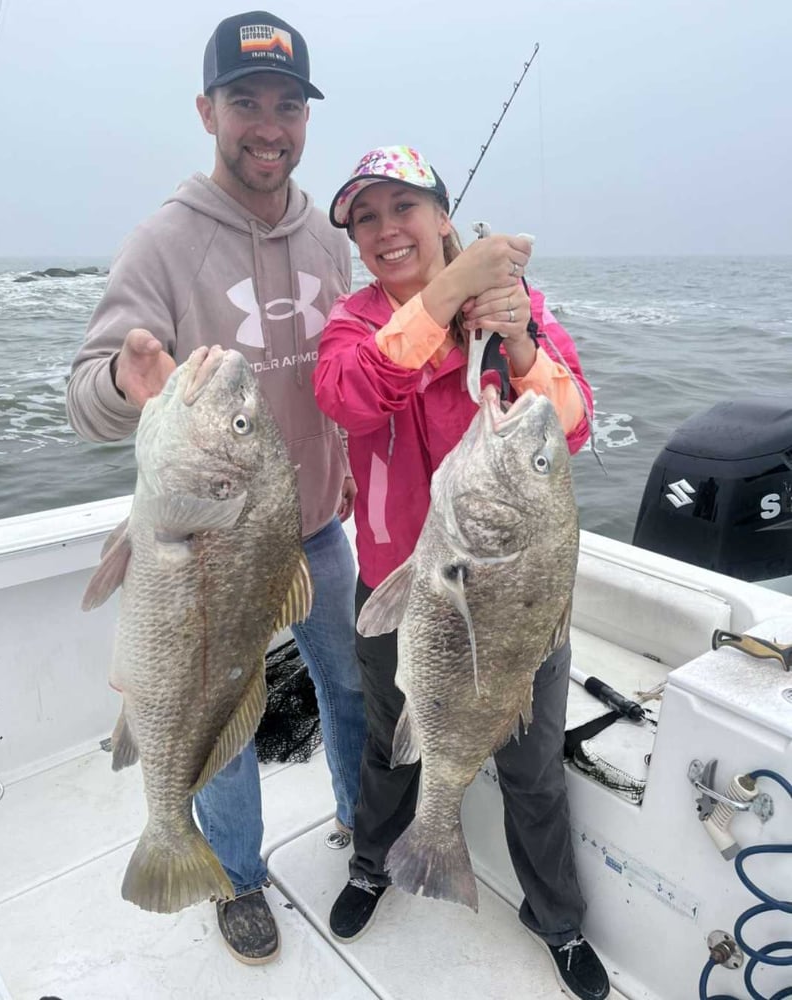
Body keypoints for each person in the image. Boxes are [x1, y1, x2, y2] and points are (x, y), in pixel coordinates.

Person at [66, 10, 366, 966]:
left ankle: (366, 830)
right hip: (205, 550)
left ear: (305, 121)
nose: (267, 125)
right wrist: (126, 380)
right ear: (207, 111)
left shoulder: (329, 236)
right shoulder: (162, 241)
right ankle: (232, 873)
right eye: (246, 102)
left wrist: (348, 463)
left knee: (352, 688)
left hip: (315, 531)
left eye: (287, 105)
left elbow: (333, 371)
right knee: (223, 716)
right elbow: (86, 398)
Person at [313, 145, 609, 1000]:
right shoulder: (352, 323)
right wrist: (445, 297)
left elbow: (571, 426)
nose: (383, 230)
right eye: (364, 218)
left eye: (401, 207)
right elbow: (350, 397)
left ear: (443, 217)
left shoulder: (513, 314)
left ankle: (555, 919)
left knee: (531, 767)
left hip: (513, 596)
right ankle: (374, 863)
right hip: (394, 586)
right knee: (389, 749)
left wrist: (515, 338)